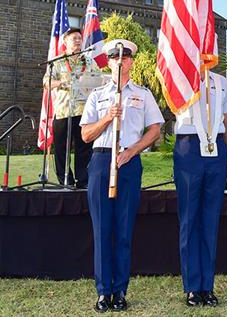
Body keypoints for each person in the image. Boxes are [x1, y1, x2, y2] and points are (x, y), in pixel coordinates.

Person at [80, 39, 164, 313]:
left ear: (130, 62)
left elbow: (154, 130)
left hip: (128, 161)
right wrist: (106, 118)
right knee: (102, 230)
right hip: (102, 160)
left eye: (124, 57)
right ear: (110, 61)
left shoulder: (143, 94)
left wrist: (132, 151)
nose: (120, 61)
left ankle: (120, 291)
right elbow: (85, 135)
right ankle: (104, 292)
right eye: (114, 57)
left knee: (124, 229)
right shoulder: (97, 95)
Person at [173, 69, 227, 307]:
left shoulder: (221, 83)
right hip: (188, 147)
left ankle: (207, 287)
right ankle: (192, 287)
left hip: (216, 149)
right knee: (189, 220)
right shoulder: (180, 74)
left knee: (210, 220)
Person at [45, 27, 102, 188]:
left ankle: (83, 181)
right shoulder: (57, 62)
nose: (77, 41)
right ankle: (65, 181)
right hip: (63, 112)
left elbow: (99, 80)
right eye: (73, 38)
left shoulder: (90, 61)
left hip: (84, 113)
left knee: (84, 148)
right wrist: (62, 83)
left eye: (79, 38)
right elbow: (46, 83)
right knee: (61, 149)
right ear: (65, 42)